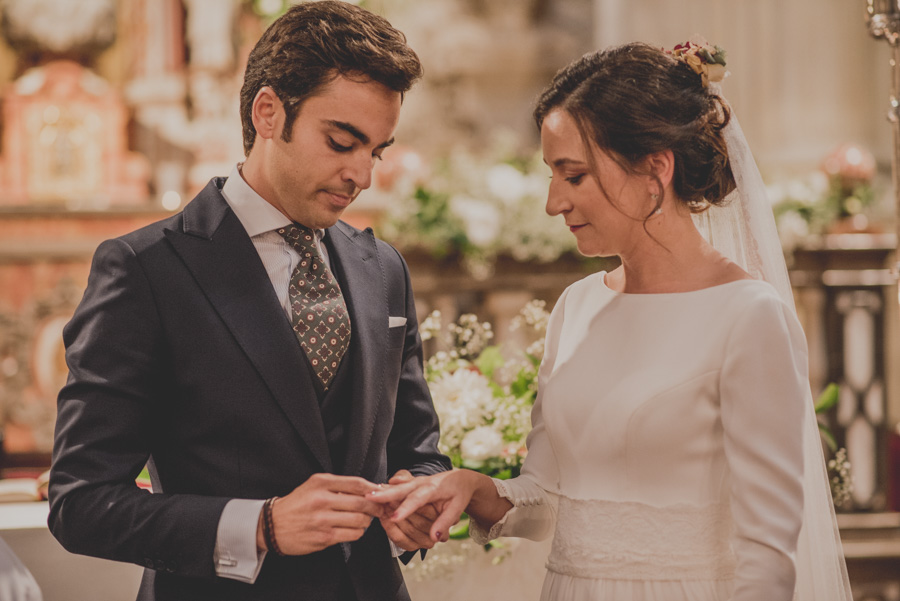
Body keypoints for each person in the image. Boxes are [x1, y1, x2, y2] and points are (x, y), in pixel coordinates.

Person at [370, 41, 853, 600]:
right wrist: (469, 488)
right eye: (552, 175)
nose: (554, 202)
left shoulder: (748, 316)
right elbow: (548, 498)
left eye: (573, 176)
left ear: (655, 170)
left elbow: (768, 555)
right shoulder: (578, 306)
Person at [48, 2, 450, 600]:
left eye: (378, 150)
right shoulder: (146, 269)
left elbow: (419, 454)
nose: (362, 175)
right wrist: (260, 527)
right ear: (268, 112)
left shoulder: (382, 267)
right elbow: (80, 501)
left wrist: (416, 504)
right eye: (342, 142)